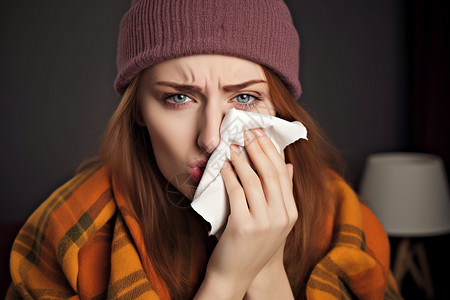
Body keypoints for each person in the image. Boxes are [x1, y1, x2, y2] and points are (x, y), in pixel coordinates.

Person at [7, 0, 402, 299]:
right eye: (179, 97)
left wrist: (266, 273)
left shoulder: (345, 222)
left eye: (245, 97)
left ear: (280, 111)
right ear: (139, 111)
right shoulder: (69, 233)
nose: (211, 138)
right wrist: (226, 282)